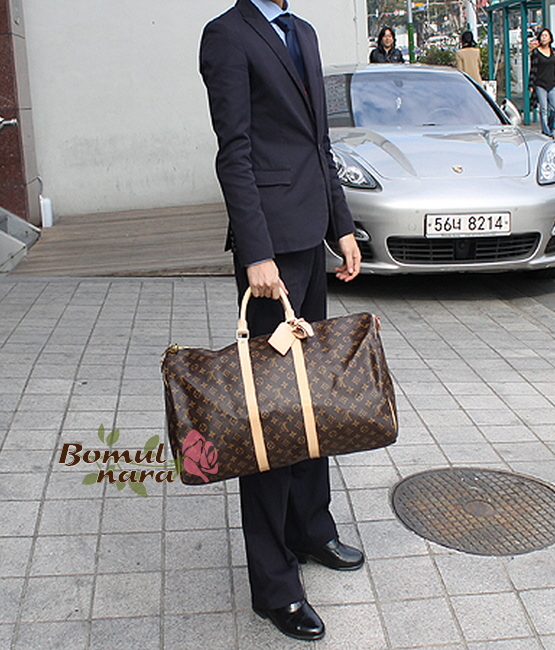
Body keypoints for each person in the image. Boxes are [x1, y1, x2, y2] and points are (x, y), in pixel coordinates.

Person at [199, 0, 363, 642]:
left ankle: (311, 529)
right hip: (270, 254)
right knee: (269, 413)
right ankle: (274, 584)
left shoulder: (304, 32)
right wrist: (255, 250)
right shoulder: (226, 35)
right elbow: (234, 151)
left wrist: (341, 225)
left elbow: (320, 142)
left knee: (309, 400)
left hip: (310, 239)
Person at [529, 28, 555, 138]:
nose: (544, 38)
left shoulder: (553, 51)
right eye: (542, 36)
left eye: (546, 36)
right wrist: (531, 85)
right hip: (540, 84)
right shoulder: (536, 52)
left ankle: (550, 128)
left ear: (550, 38)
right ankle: (547, 132)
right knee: (543, 110)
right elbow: (533, 69)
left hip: (552, 83)